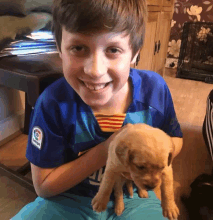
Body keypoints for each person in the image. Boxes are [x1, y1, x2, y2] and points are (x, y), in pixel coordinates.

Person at [11, 0, 183, 219]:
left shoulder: (154, 91)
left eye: (113, 50)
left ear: (135, 53)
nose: (95, 70)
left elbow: (176, 139)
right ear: (60, 48)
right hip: (68, 198)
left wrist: (150, 150)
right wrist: (108, 151)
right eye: (78, 48)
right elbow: (43, 186)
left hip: (133, 196)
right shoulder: (52, 103)